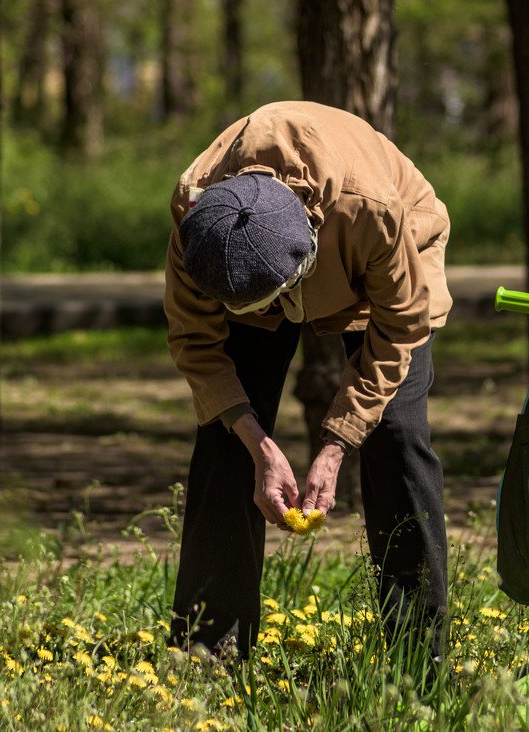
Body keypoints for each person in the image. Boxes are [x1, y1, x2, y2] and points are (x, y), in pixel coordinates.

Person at [163, 101, 452, 663]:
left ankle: (420, 659)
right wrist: (259, 446)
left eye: (274, 300)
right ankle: (209, 652)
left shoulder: (372, 210)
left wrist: (338, 443)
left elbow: (399, 329)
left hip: (383, 258)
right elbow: (197, 344)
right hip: (251, 262)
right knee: (224, 441)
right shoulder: (196, 218)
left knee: (397, 436)